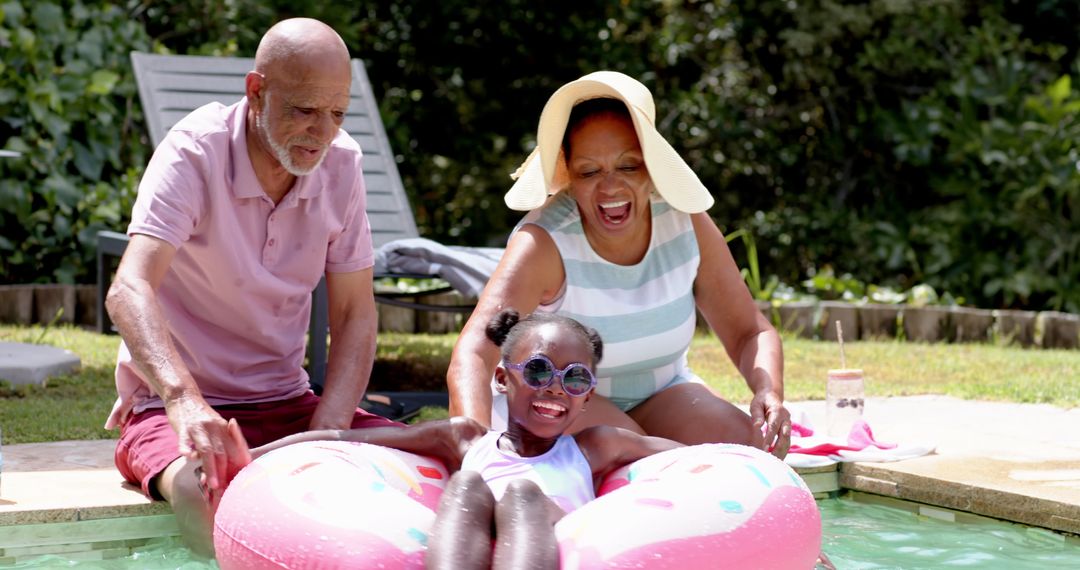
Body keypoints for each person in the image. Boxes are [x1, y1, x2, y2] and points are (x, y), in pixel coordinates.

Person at [103, 18, 402, 556]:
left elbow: (356, 312)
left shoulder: (343, 163)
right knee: (207, 494)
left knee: (420, 468)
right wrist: (183, 401)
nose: (323, 132)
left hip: (291, 403)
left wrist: (328, 432)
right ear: (257, 91)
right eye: (305, 111)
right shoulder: (195, 150)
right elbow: (129, 288)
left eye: (337, 114)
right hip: (176, 410)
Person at [447, 71, 793, 457]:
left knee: (755, 447)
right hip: (556, 400)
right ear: (569, 176)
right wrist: (475, 451)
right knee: (629, 452)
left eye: (628, 166)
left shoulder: (684, 220)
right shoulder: (543, 243)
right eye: (590, 171)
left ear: (651, 165)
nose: (610, 187)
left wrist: (769, 391)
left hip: (662, 392)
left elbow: (750, 332)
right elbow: (474, 353)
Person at [248, 308, 682, 570]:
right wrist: (254, 455)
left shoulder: (595, 446)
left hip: (549, 544)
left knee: (522, 496)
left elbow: (695, 460)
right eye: (537, 371)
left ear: (588, 395)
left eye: (575, 379)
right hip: (468, 543)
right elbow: (346, 439)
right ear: (501, 378)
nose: (554, 388)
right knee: (467, 485)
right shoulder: (465, 440)